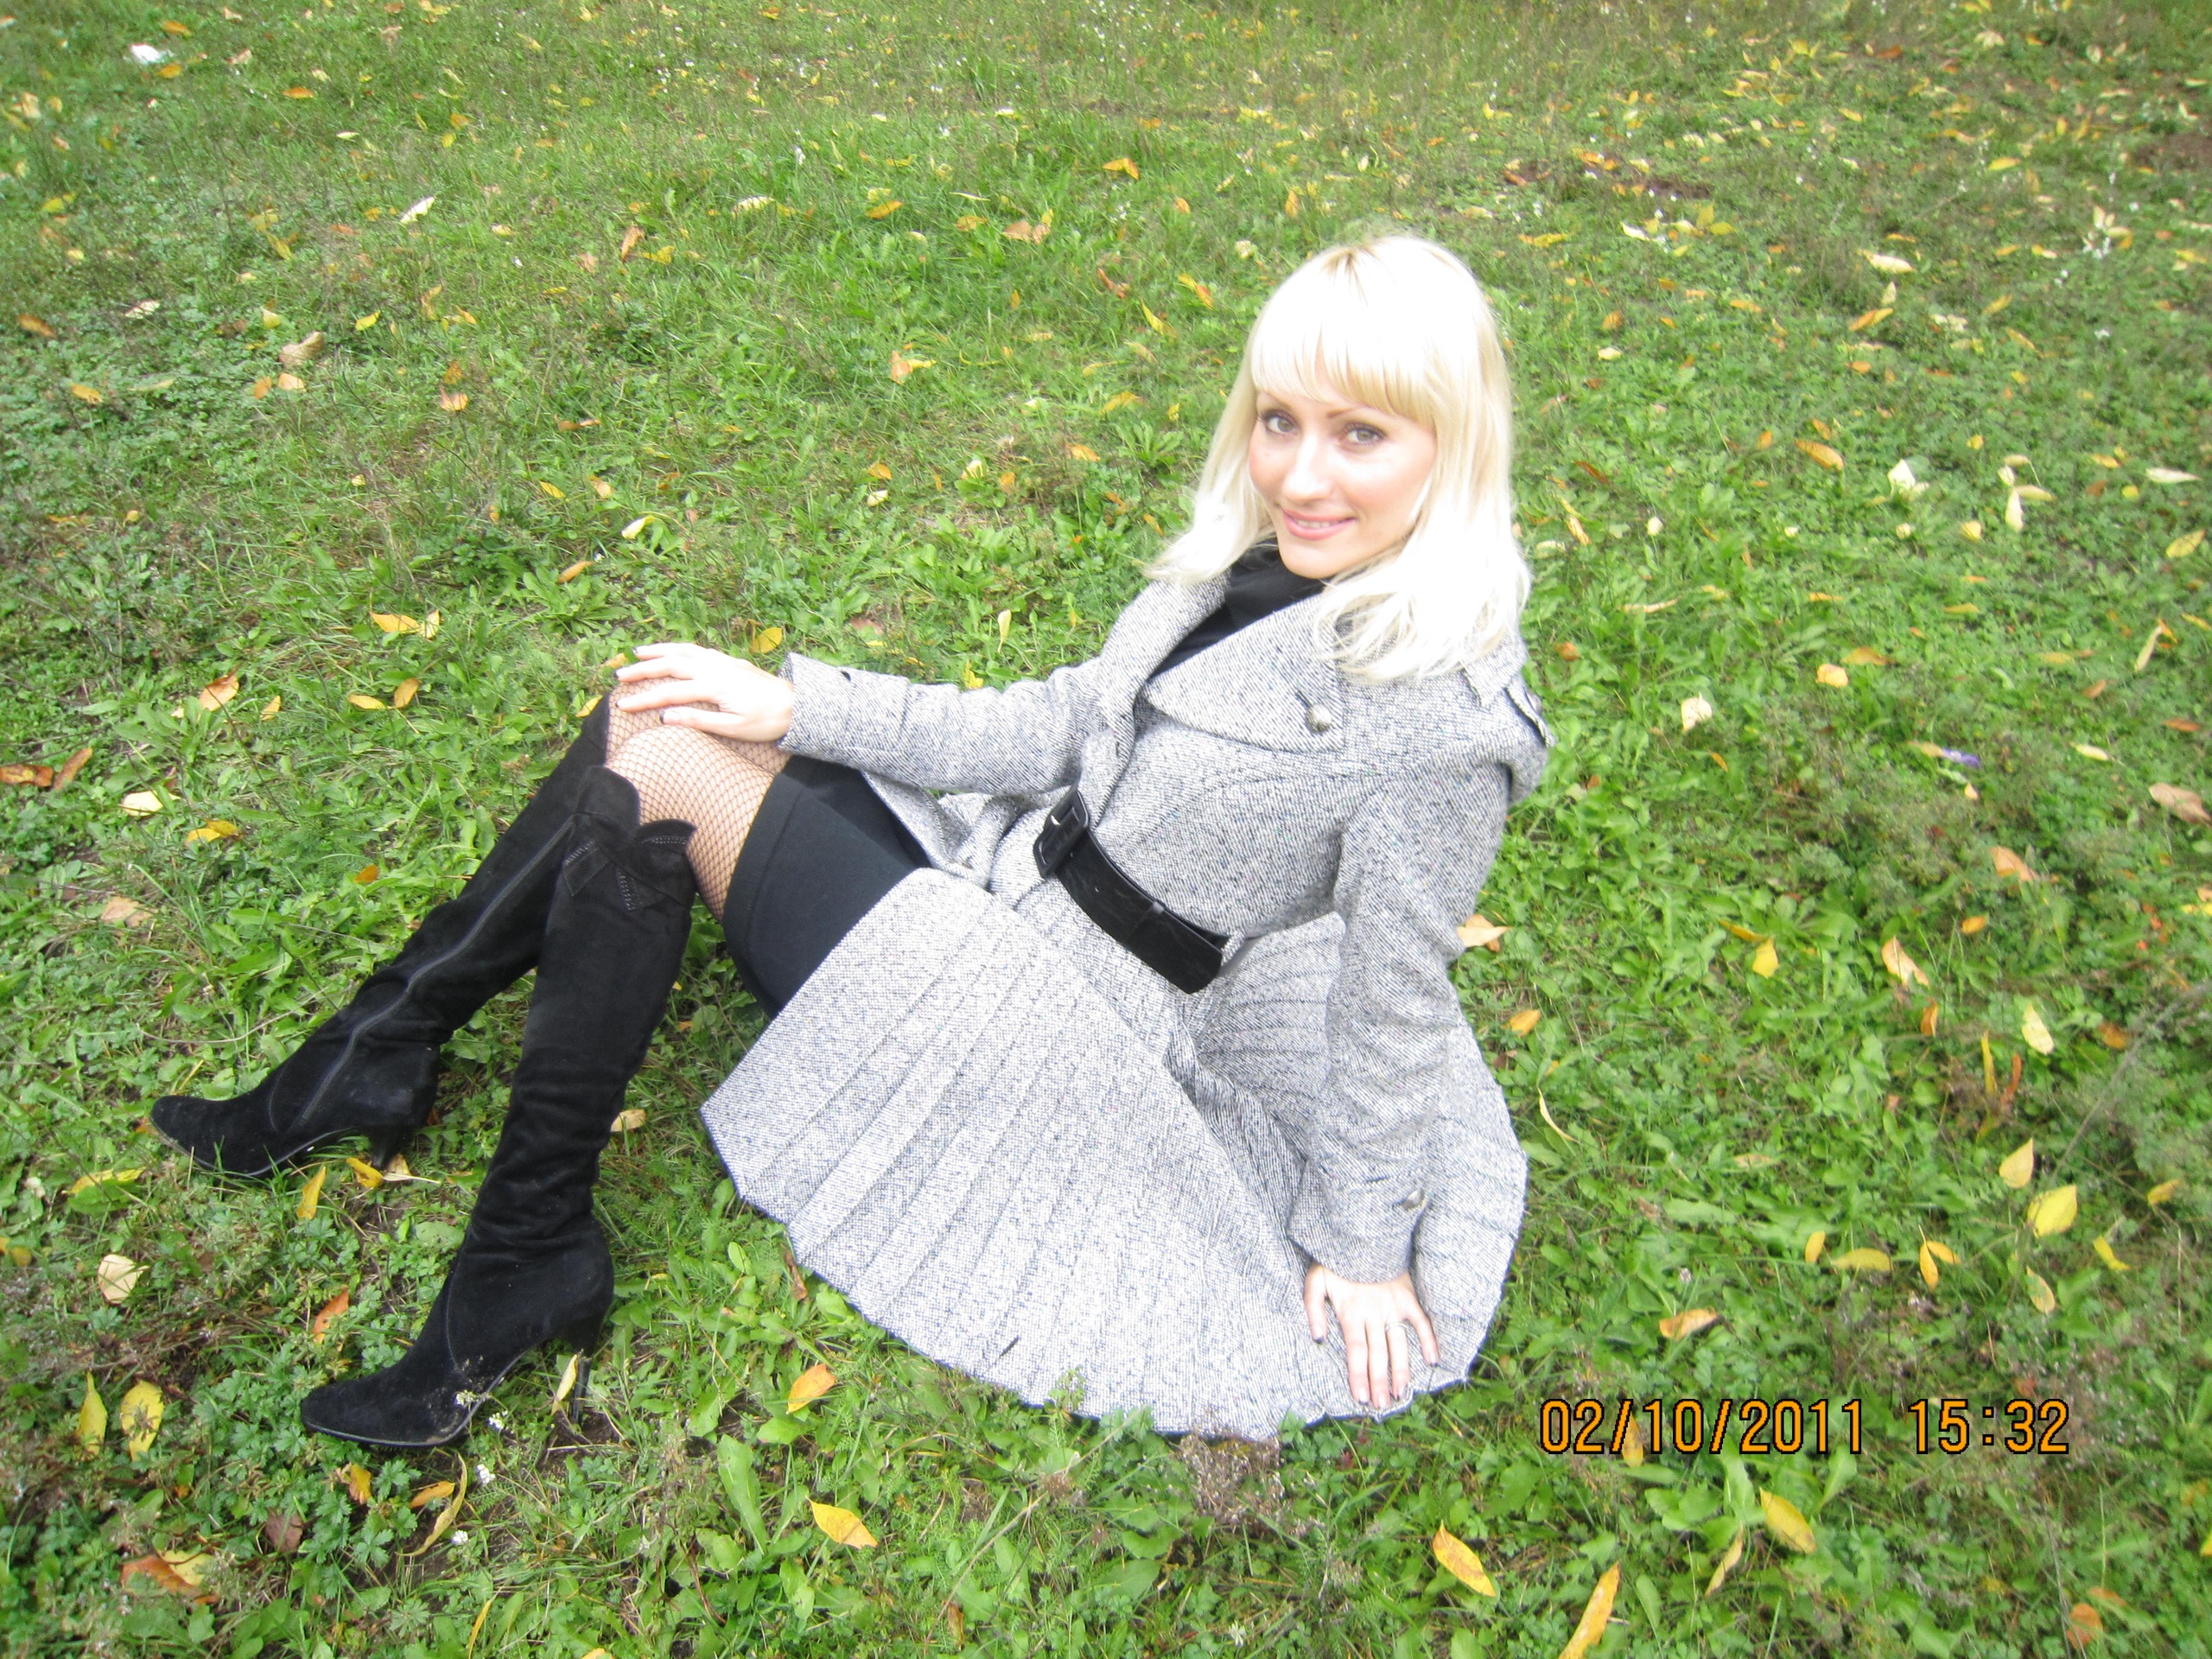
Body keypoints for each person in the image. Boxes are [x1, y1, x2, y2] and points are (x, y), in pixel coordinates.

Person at [154, 234, 1551, 1447]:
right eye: (1280, 420)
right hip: (1004, 875)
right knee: (658, 706)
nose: (1301, 472)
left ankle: (521, 1251)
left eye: (1361, 436)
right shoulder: (1255, 566)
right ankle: (377, 1049)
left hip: (1057, 1024)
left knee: (659, 777)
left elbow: (1392, 1005)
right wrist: (799, 708)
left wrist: (1361, 1246)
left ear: (1455, 445)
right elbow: (1061, 722)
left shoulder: (1440, 730)